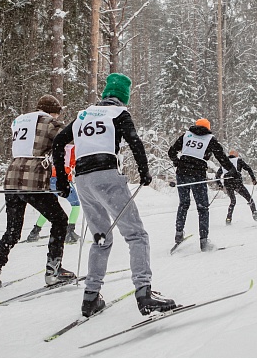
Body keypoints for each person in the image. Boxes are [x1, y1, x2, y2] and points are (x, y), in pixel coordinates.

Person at [52, 73, 176, 317]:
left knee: (101, 237)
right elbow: (134, 141)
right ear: (123, 97)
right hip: (106, 174)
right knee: (136, 234)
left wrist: (64, 181)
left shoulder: (84, 114)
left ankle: (90, 297)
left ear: (105, 94)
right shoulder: (119, 114)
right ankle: (144, 293)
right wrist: (144, 171)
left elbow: (58, 143)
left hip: (83, 180)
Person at [0, 95, 76, 294]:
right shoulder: (49, 122)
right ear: (52, 111)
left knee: (12, 231)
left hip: (12, 177)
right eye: (57, 112)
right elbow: (66, 138)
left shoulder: (21, 120)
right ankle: (53, 270)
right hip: (33, 179)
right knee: (59, 220)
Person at [168, 118, 238, 251]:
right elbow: (222, 158)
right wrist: (232, 171)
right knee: (202, 208)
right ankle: (204, 241)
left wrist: (176, 161)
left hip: (182, 173)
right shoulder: (210, 139)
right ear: (208, 128)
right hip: (197, 175)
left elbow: (171, 152)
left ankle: (178, 234)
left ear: (195, 126)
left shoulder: (186, 135)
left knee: (183, 204)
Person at [26, 143, 80, 244]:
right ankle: (70, 232)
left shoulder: (56, 146)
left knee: (50, 207)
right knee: (76, 205)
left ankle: (35, 232)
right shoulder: (73, 148)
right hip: (62, 178)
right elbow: (75, 163)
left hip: (50, 178)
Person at [216, 150, 257, 224]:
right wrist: (253, 179)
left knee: (233, 201)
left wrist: (219, 184)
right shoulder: (238, 160)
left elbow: (217, 175)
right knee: (249, 199)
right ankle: (255, 216)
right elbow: (248, 168)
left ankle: (228, 219)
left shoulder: (224, 163)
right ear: (236, 155)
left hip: (228, 183)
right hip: (237, 182)